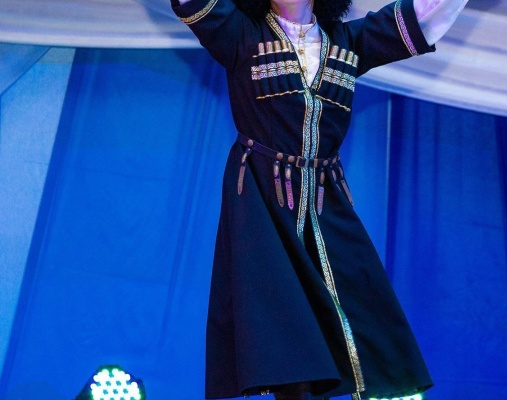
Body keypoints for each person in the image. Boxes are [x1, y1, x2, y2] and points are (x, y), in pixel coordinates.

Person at [170, 0, 468, 399]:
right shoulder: (241, 35)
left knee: (355, 315)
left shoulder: (349, 41)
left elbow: (424, 16)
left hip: (327, 205)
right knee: (286, 334)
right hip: (263, 203)